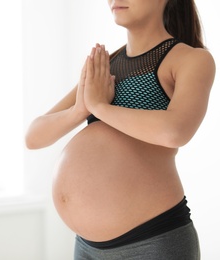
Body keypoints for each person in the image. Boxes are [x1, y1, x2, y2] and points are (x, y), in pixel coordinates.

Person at [25, 0, 215, 259]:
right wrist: (79, 110)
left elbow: (176, 130)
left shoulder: (189, 59)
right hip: (86, 246)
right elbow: (34, 136)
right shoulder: (106, 65)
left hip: (152, 242)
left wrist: (100, 107)